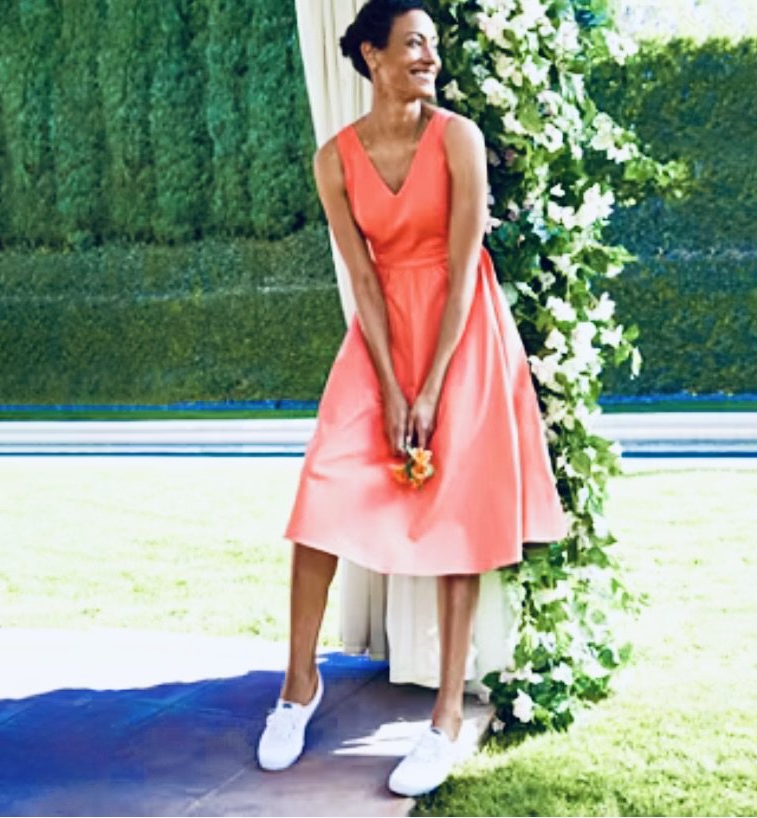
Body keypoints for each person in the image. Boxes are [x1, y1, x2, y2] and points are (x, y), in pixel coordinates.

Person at [256, 0, 568, 798]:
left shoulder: (458, 138)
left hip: (464, 332)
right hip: (381, 334)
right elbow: (362, 279)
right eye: (413, 44)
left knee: (456, 514)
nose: (429, 57)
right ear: (372, 55)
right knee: (323, 494)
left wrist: (429, 388)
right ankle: (298, 686)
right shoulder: (334, 160)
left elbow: (463, 268)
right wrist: (393, 386)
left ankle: (444, 721)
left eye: (433, 45)